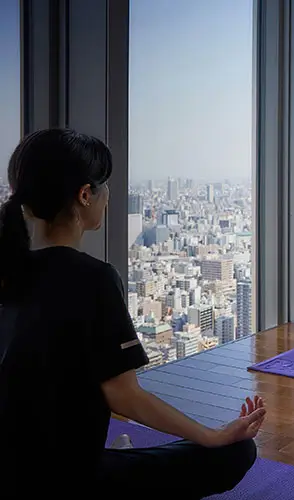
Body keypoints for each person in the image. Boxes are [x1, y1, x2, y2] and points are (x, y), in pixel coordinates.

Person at [0, 129, 265, 498]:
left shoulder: (7, 273)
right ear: (84, 195)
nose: (109, 196)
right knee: (237, 452)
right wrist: (213, 435)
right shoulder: (93, 278)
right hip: (69, 482)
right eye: (104, 185)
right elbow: (125, 396)